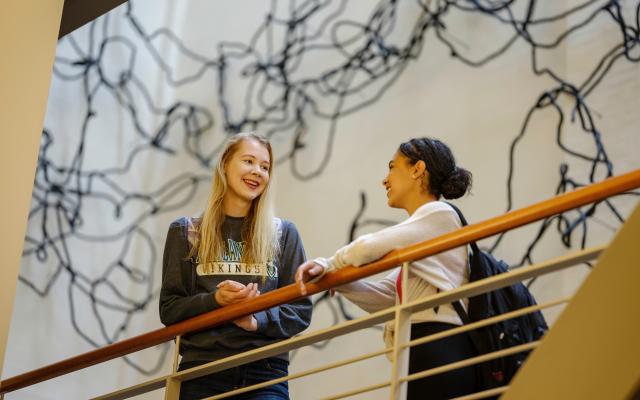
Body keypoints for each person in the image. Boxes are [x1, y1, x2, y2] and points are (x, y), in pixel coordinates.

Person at [296, 137, 477, 399]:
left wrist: (329, 264)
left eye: (393, 167)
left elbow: (368, 247)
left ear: (417, 170)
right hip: (424, 344)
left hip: (439, 343)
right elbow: (386, 298)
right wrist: (338, 279)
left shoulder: (439, 213)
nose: (385, 179)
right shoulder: (425, 233)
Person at [160, 132, 312, 400]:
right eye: (249, 161)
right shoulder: (185, 231)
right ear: (225, 165)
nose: (258, 172)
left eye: (265, 167)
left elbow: (300, 310)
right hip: (201, 370)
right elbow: (170, 308)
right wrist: (215, 300)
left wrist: (255, 320)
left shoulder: (284, 233)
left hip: (265, 372)